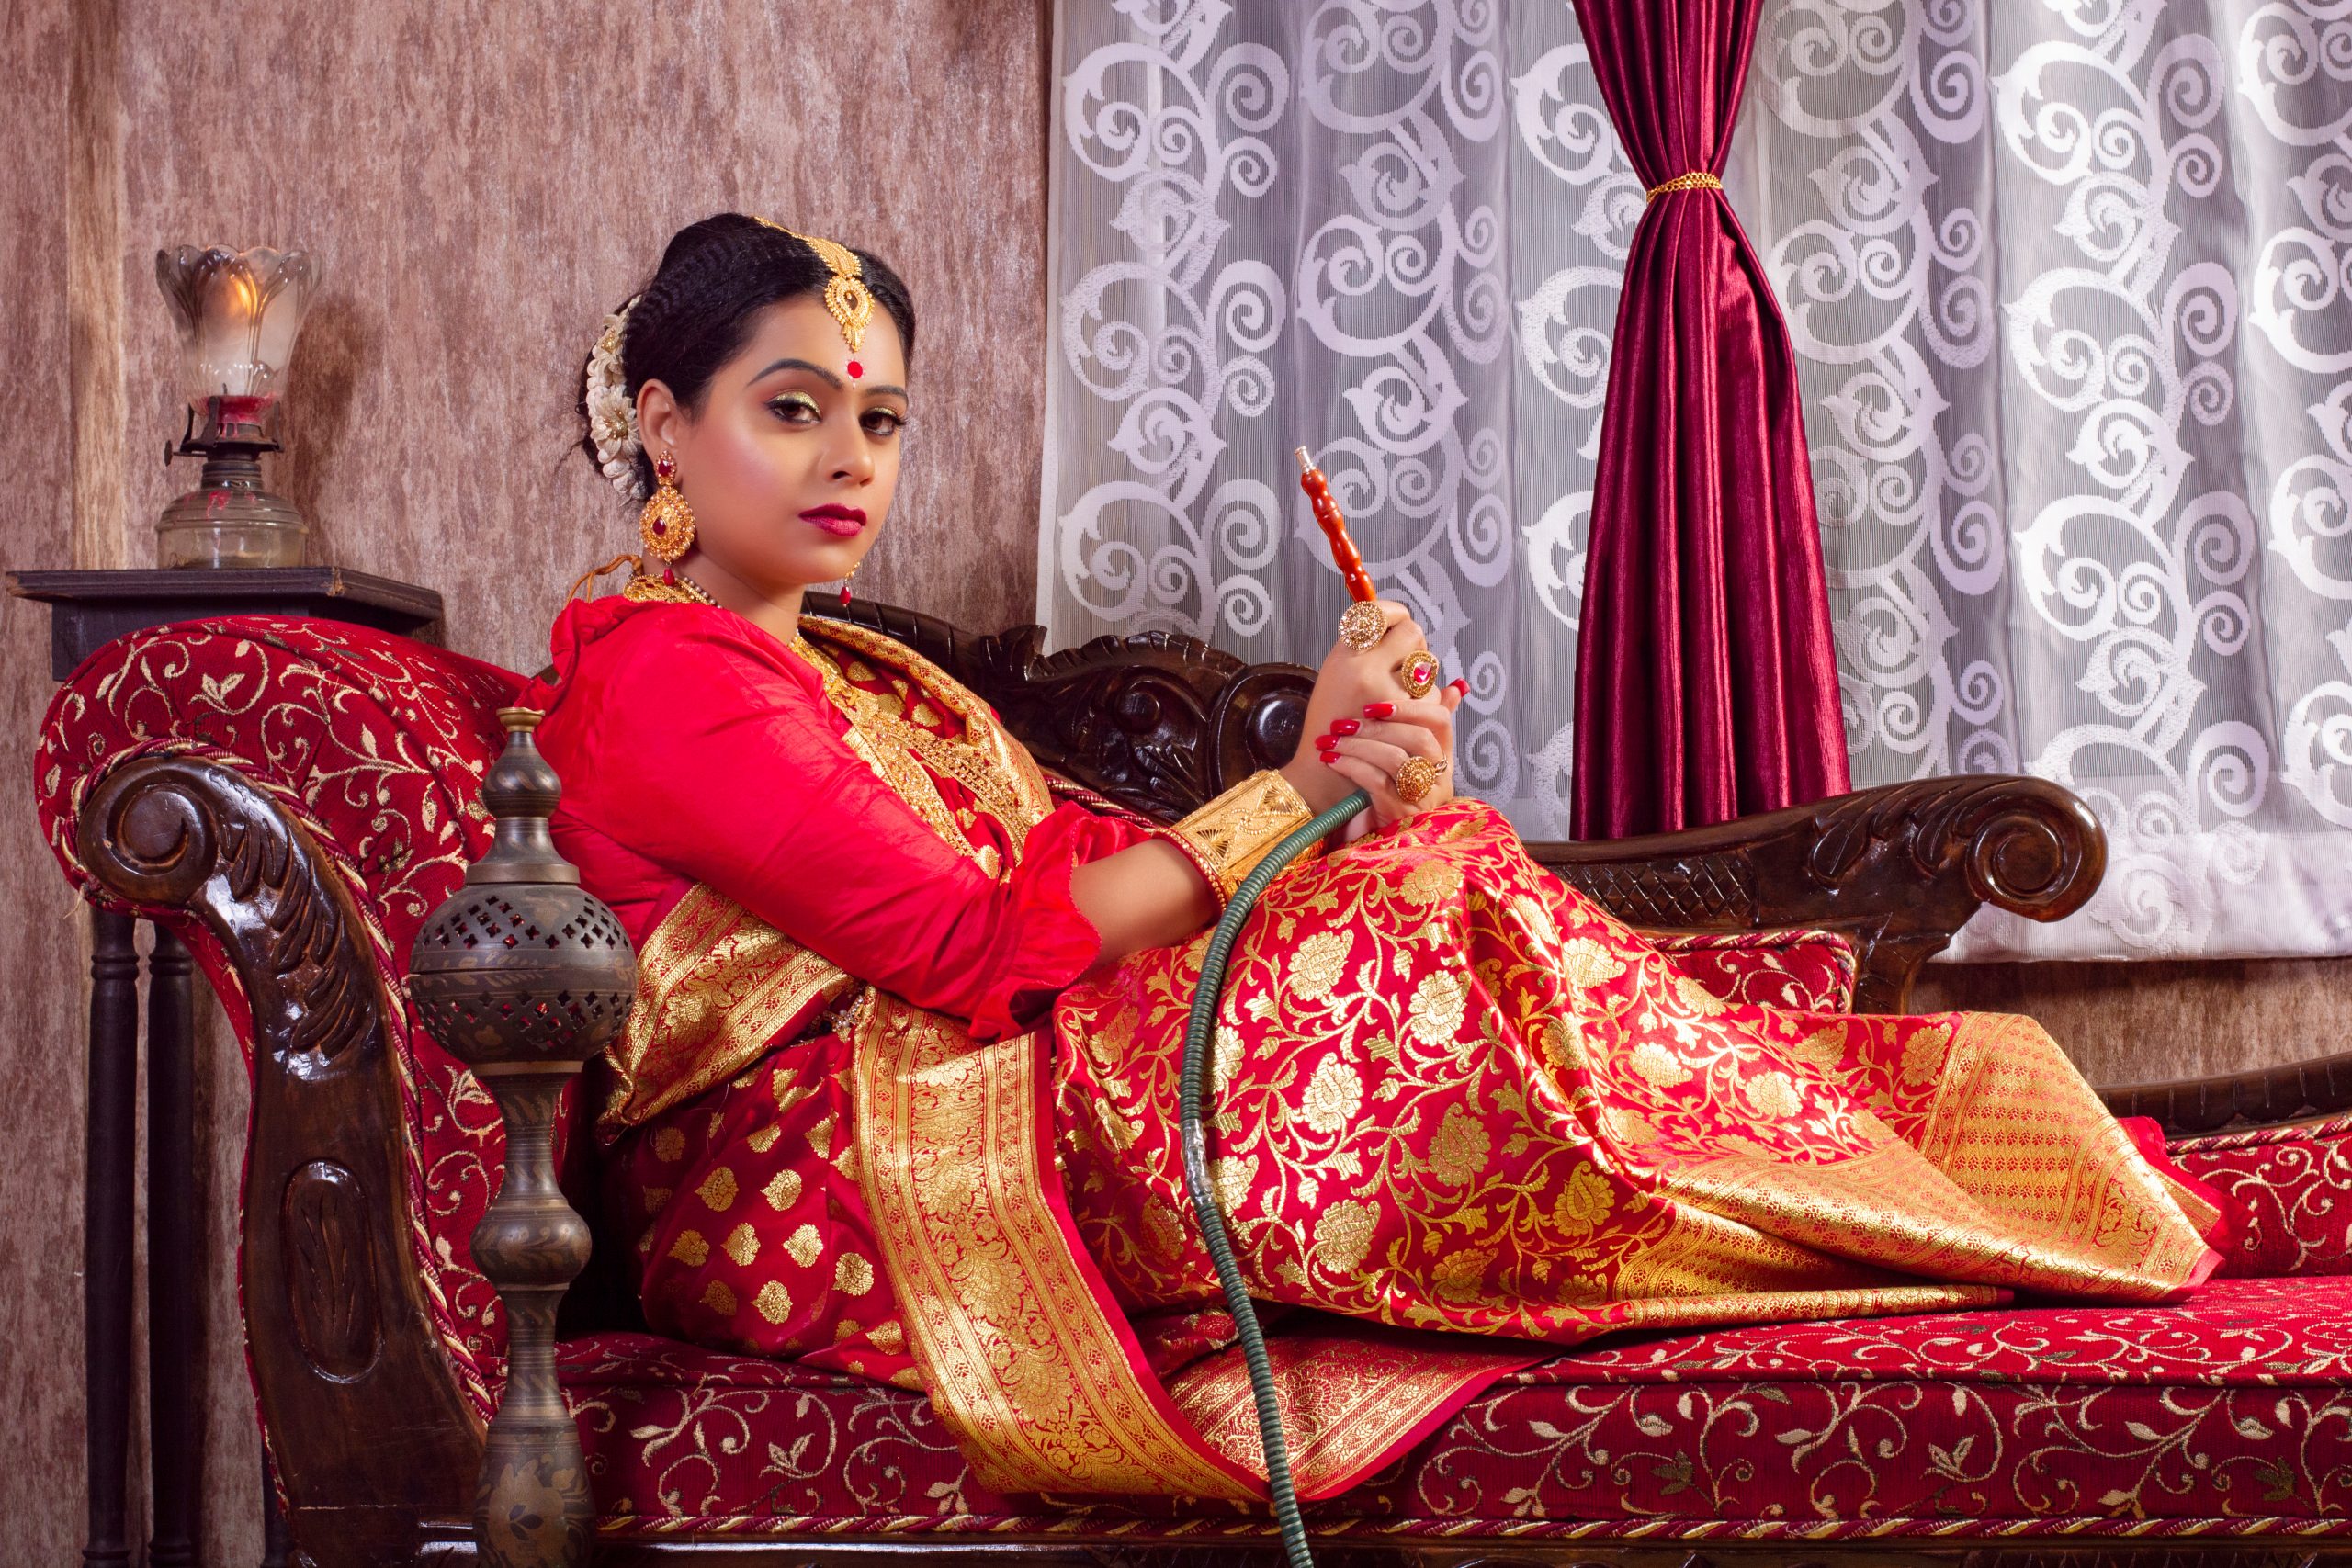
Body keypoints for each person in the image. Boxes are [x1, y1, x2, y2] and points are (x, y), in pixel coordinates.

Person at [526, 214, 2228, 1503]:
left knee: (1434, 875)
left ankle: (1933, 1186)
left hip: (983, 1072)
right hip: (834, 1172)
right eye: (796, 408)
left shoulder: (844, 670)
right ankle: (1912, 1206)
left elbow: (1089, 859)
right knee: (1430, 904)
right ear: (666, 430)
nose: (851, 460)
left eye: (883, 421)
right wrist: (1305, 790)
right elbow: (982, 945)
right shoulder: (658, 678)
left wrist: (1330, 794)